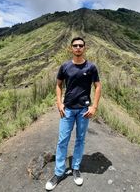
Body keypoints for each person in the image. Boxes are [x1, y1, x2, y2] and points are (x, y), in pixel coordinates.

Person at [45, 37, 102, 191]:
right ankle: (59, 172)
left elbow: (98, 86)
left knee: (80, 139)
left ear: (85, 48)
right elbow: (58, 85)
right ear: (71, 48)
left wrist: (94, 107)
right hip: (68, 109)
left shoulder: (91, 67)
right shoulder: (65, 66)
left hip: (84, 110)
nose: (78, 48)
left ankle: (75, 168)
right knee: (63, 140)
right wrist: (59, 102)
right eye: (75, 45)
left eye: (80, 45)